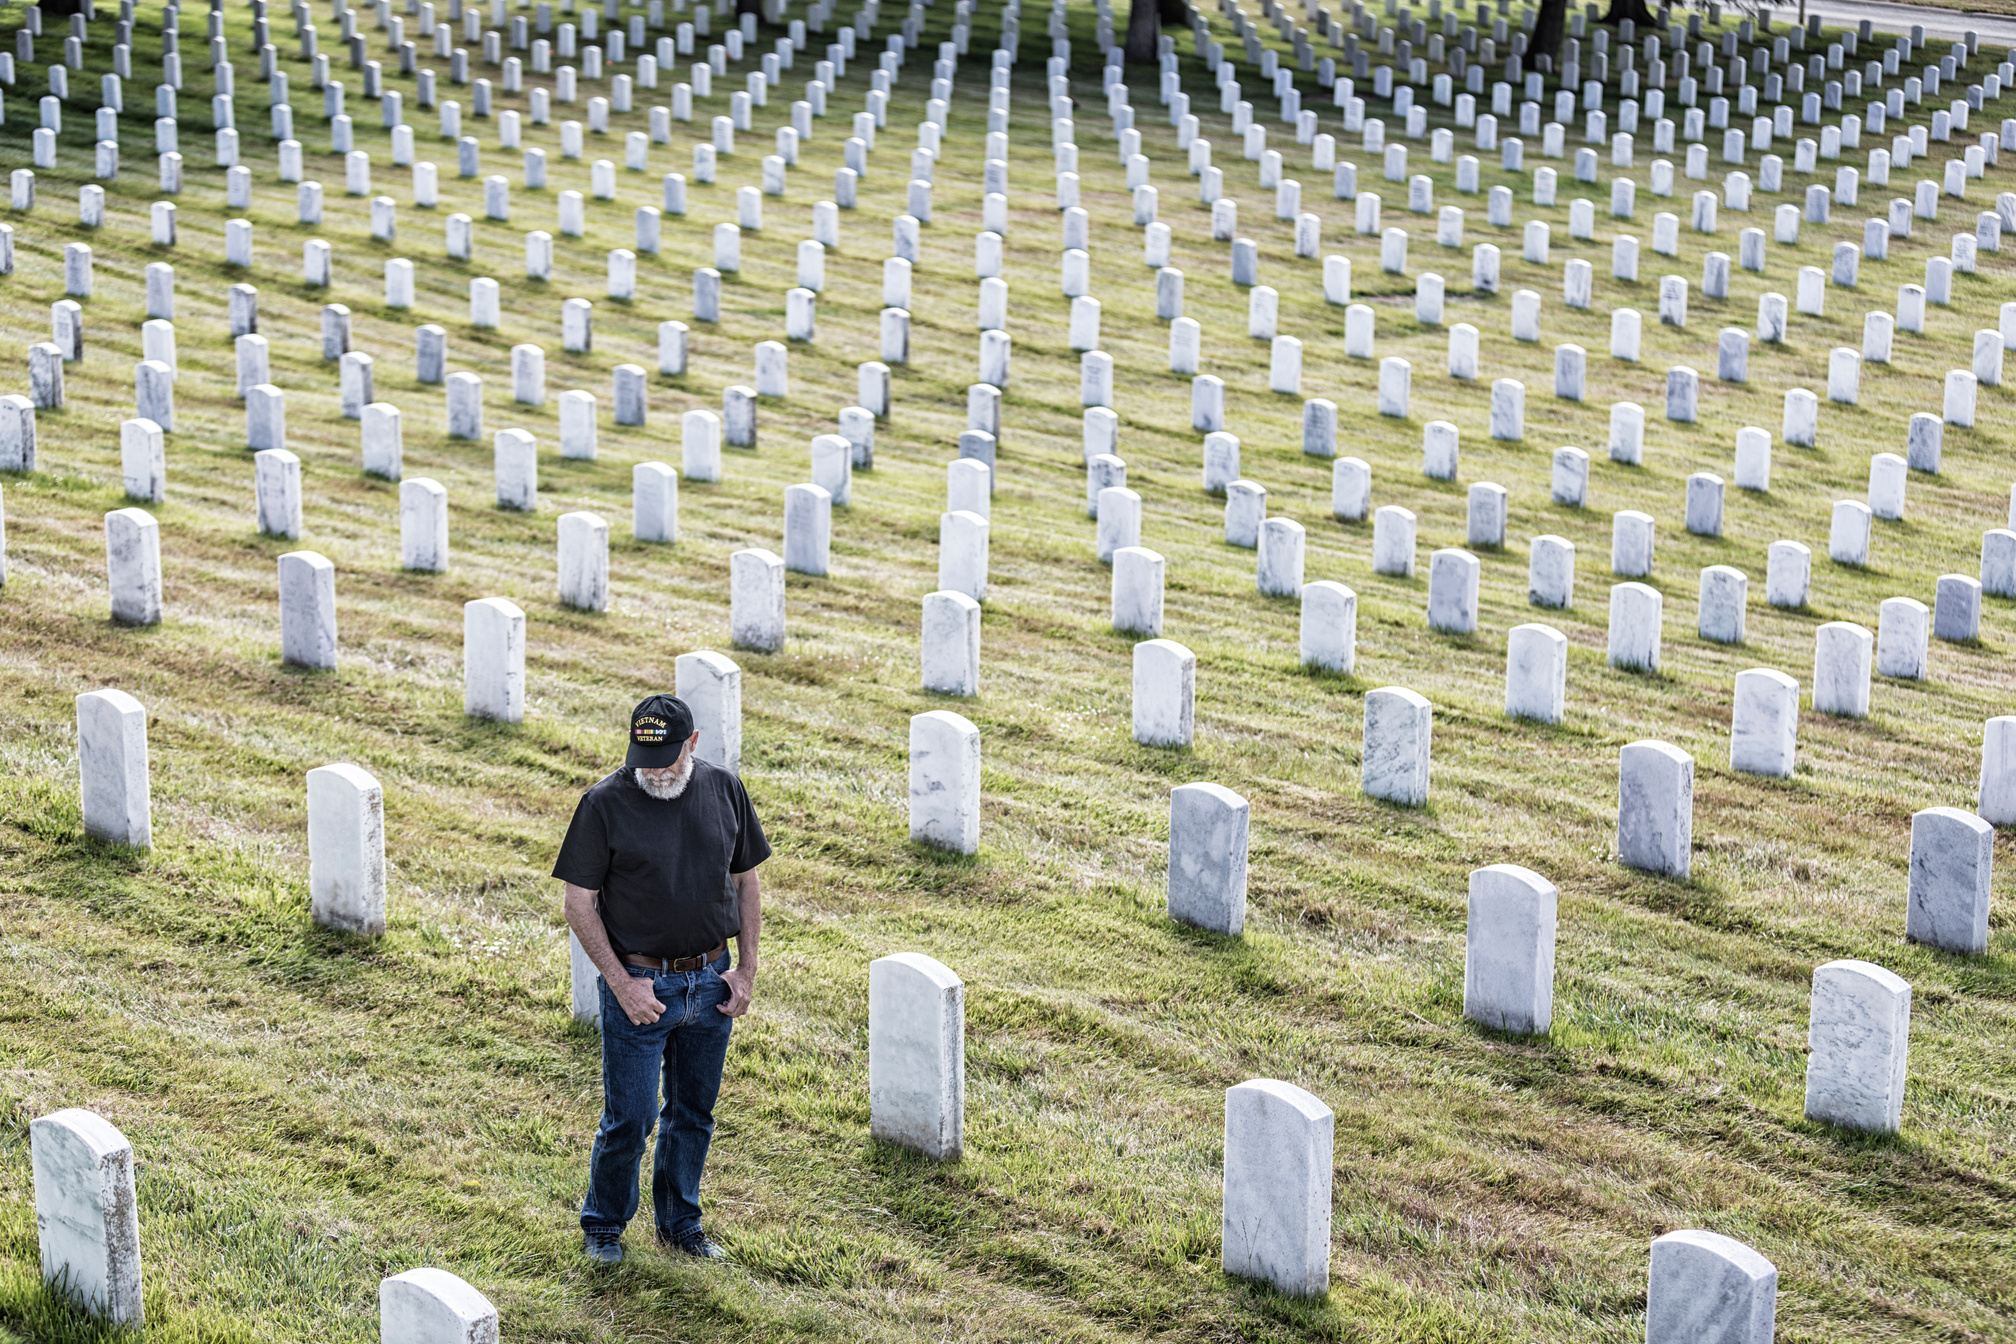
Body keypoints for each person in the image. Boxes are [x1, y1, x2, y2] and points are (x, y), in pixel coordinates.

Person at [553, 694, 770, 1265]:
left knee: (693, 1112)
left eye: (667, 756)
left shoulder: (725, 790)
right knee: (631, 1117)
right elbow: (579, 903)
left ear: (692, 744)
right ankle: (604, 1226)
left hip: (712, 981)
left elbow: (747, 883)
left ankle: (680, 1224)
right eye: (644, 756)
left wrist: (745, 970)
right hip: (642, 987)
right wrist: (623, 985)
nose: (654, 768)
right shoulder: (602, 804)